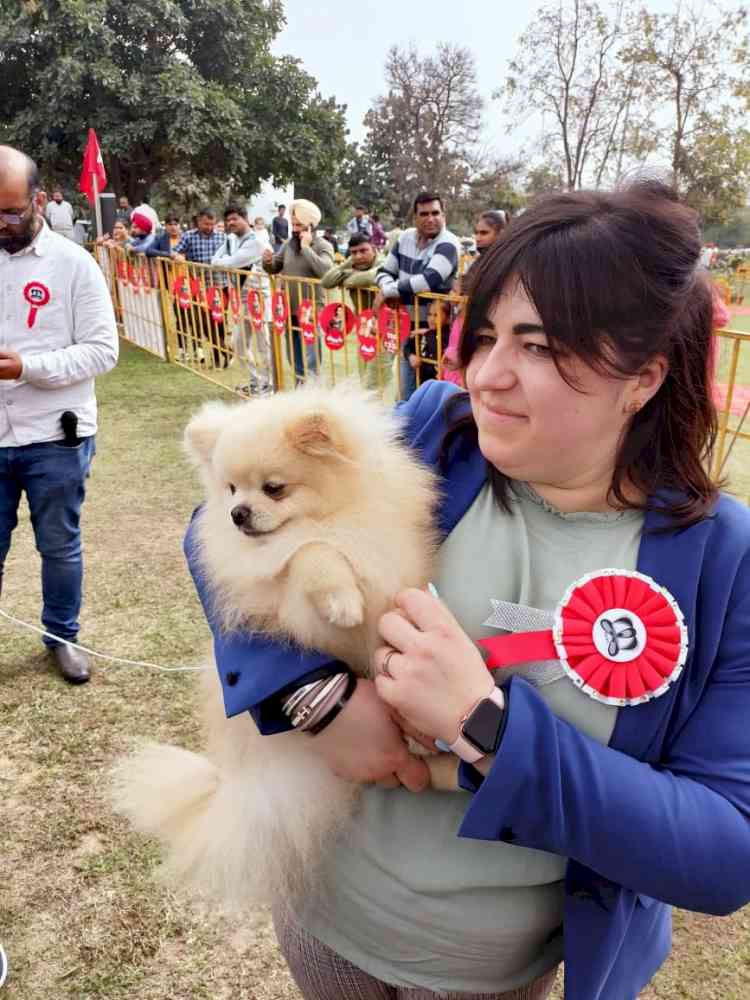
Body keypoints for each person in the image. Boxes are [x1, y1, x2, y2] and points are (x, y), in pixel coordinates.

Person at [184, 180, 750, 1000]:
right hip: (325, 914)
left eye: (539, 345)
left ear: (645, 376)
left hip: (487, 971)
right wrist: (318, 700)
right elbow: (216, 540)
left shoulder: (719, 557)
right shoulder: (433, 433)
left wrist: (483, 723)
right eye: (482, 336)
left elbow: (723, 848)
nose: (486, 375)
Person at [0, 146, 118, 684]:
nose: (1, 224)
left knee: (59, 545)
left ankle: (62, 636)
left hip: (56, 435)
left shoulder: (75, 265)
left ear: (39, 201)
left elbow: (102, 351)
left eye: (10, 212)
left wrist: (27, 366)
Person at [375, 192, 461, 400]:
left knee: (433, 394)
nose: (430, 218)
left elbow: (429, 279)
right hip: (406, 327)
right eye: (424, 214)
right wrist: (391, 287)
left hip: (438, 333)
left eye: (435, 213)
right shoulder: (404, 238)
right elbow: (384, 272)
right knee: (406, 392)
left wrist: (388, 291)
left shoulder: (449, 242)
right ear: (415, 217)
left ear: (444, 215)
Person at [262, 199, 334, 384]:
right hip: (289, 310)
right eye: (293, 224)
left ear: (311, 226)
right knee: (294, 358)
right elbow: (275, 267)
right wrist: (268, 261)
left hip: (311, 311)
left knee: (312, 360)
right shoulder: (287, 245)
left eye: (299, 225)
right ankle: (299, 392)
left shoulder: (323, 246)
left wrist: (306, 248)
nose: (294, 229)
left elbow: (326, 272)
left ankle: (313, 395)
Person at [444, 210, 508, 388]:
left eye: (484, 233)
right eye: (476, 232)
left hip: (483, 330)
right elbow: (462, 284)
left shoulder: (504, 263)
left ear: (501, 233)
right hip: (463, 323)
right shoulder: (479, 260)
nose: (478, 237)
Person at [211, 204, 271, 393]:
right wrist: (223, 263)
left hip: (259, 297)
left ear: (246, 218)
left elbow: (232, 262)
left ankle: (269, 385)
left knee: (264, 345)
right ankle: (255, 381)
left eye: (234, 219)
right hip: (242, 298)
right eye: (228, 220)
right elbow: (215, 260)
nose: (231, 223)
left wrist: (223, 263)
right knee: (238, 344)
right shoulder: (230, 239)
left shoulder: (256, 241)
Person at [321, 232, 388, 390]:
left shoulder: (385, 262)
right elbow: (326, 281)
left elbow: (373, 277)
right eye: (353, 253)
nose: (358, 256)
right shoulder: (353, 264)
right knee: (364, 373)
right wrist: (347, 264)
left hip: (386, 328)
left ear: (374, 248)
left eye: (363, 251)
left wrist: (348, 279)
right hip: (364, 327)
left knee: (377, 379)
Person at [172, 207, 226, 368]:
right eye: (205, 224)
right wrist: (178, 255)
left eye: (211, 224)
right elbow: (174, 251)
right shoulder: (189, 236)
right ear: (198, 221)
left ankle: (220, 354)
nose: (208, 227)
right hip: (199, 286)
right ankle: (221, 353)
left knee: (218, 322)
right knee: (205, 323)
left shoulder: (222, 237)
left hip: (219, 285)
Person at [401, 298, 452, 398]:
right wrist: (410, 356)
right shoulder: (422, 333)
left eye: (436, 315)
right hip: (422, 383)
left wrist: (427, 332)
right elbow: (407, 347)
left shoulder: (448, 335)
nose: (431, 319)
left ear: (447, 318)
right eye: (429, 315)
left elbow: (436, 348)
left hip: (439, 385)